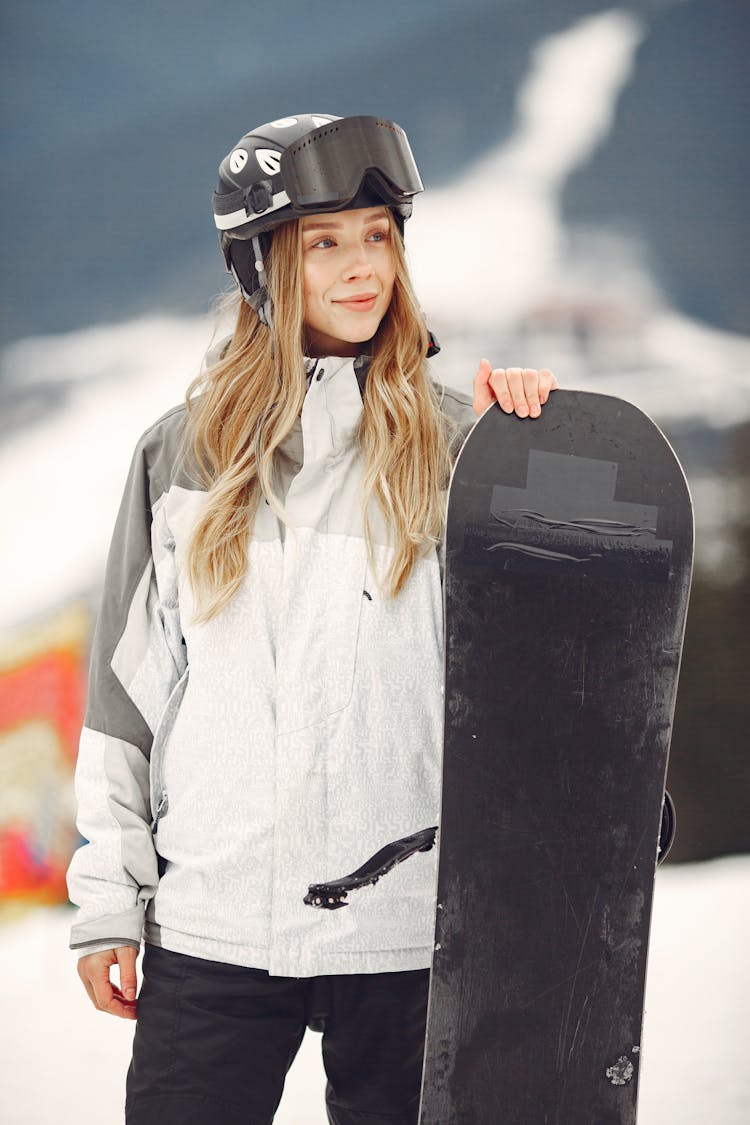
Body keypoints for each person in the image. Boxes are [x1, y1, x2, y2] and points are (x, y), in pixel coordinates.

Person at [67, 113, 558, 1125]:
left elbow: (543, 677)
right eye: (323, 242)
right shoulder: (181, 456)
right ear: (261, 265)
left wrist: (545, 447)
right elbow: (126, 701)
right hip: (216, 929)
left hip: (408, 937)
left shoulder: (464, 449)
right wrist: (110, 898)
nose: (360, 267)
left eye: (377, 235)